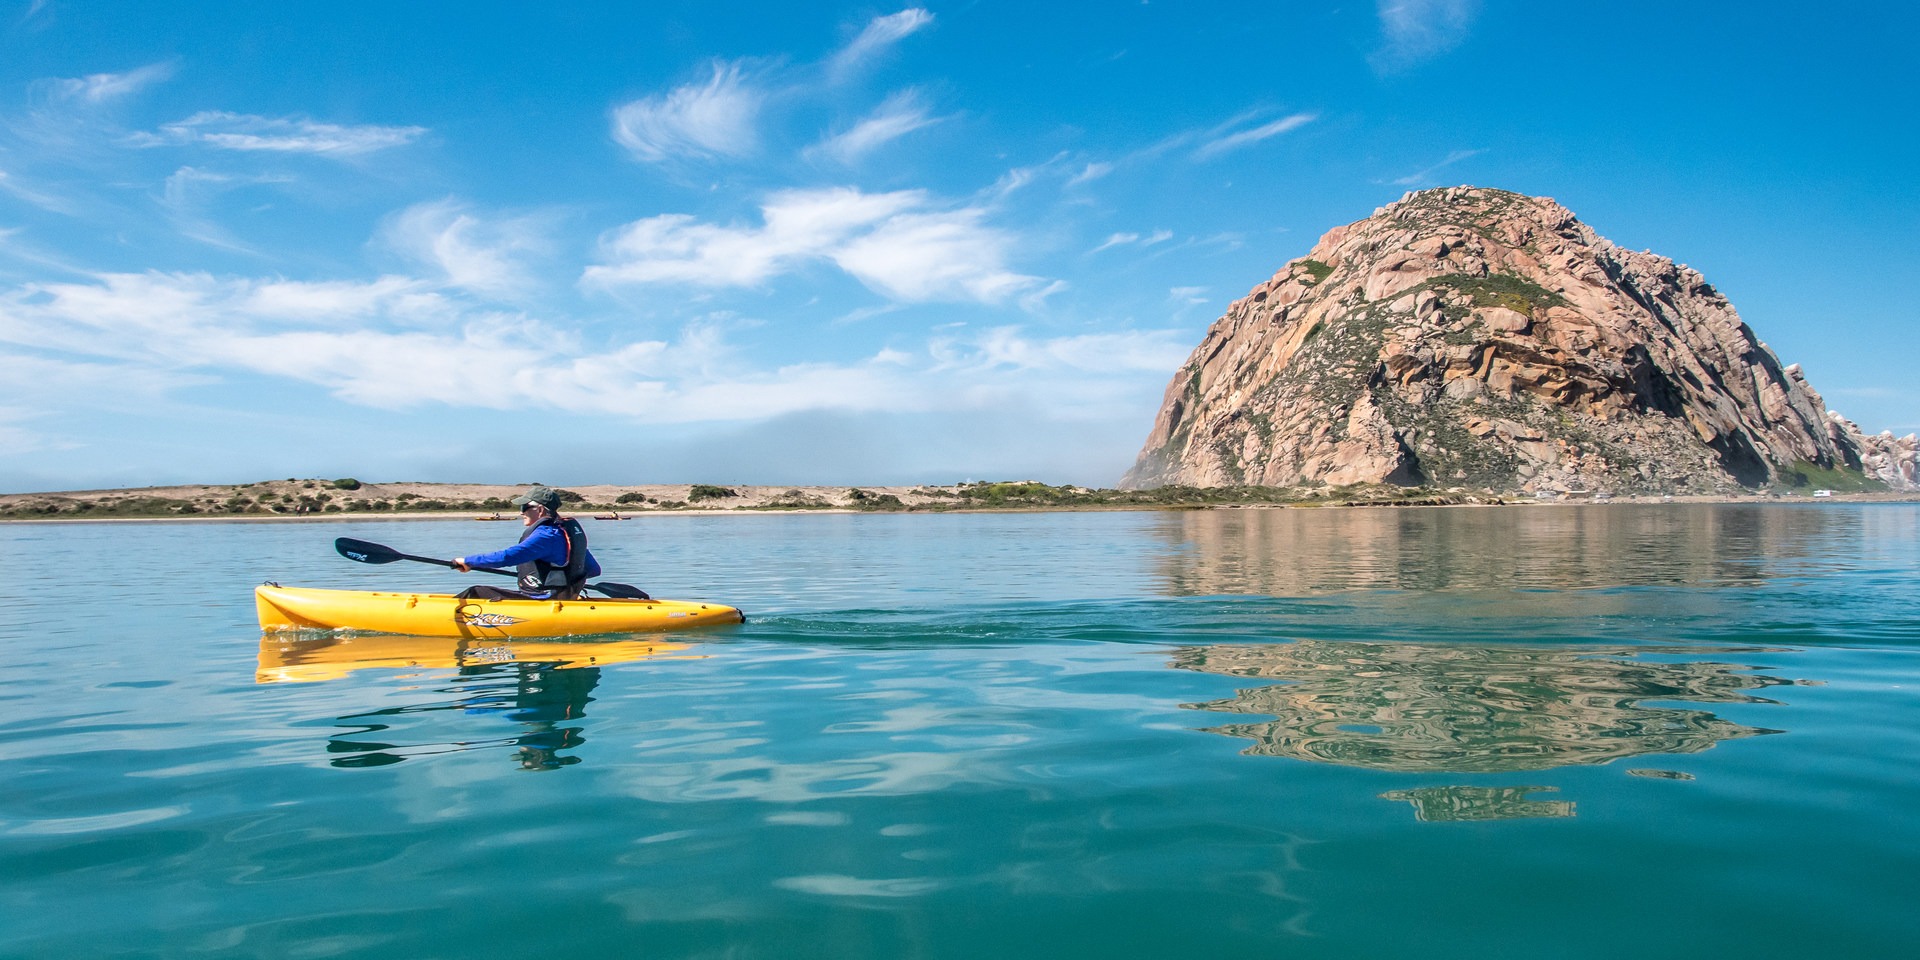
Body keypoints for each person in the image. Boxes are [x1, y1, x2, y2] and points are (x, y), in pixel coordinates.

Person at [451, 485, 601, 600]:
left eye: (525, 507)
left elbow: (507, 557)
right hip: (563, 597)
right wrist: (563, 581)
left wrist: (468, 561)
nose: (521, 512)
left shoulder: (545, 536)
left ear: (540, 510)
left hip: (543, 600)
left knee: (475, 592)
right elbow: (594, 570)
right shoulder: (566, 533)